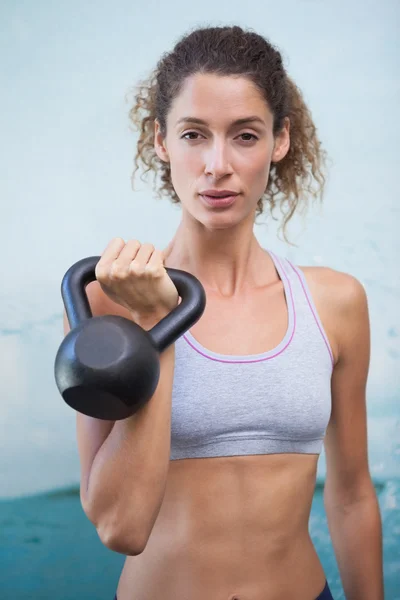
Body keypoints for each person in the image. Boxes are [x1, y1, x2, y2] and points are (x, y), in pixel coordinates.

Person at [64, 25, 384, 600]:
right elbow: (120, 526)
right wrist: (155, 326)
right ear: (161, 141)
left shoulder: (335, 304)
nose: (217, 164)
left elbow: (353, 492)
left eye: (244, 135)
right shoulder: (106, 301)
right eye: (193, 134)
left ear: (279, 141)